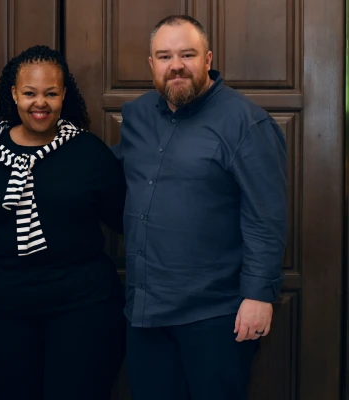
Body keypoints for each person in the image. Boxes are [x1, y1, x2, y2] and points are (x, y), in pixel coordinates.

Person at [113, 15, 288, 400]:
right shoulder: (137, 116)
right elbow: (112, 181)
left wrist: (259, 296)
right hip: (145, 312)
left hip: (215, 316)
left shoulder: (246, 122)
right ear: (151, 64)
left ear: (207, 59)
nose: (176, 65)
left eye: (187, 54)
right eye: (165, 56)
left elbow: (266, 218)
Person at [0, 45, 126, 400]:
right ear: (14, 94)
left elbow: (126, 219)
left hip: (83, 309)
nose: (40, 103)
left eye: (51, 93)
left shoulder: (89, 152)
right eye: (30, 93)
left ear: (64, 95)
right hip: (4, 312)